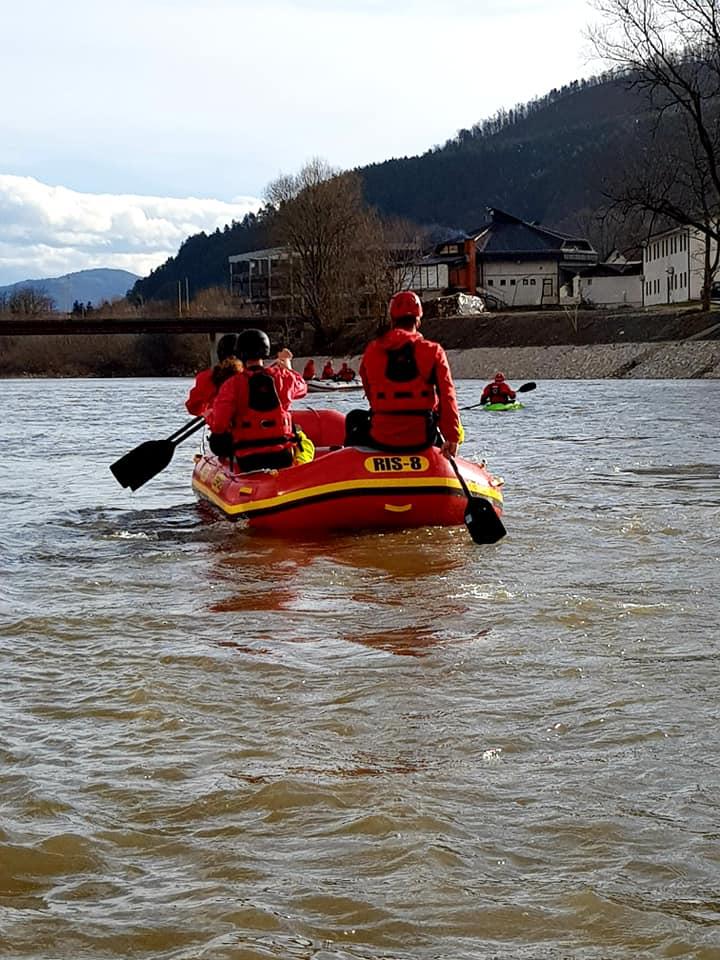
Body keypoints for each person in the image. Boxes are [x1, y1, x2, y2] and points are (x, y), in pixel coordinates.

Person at [354, 290, 463, 457]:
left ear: (392, 319)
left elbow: (370, 391)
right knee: (449, 427)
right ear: (418, 320)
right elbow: (447, 397)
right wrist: (452, 436)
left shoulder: (373, 350)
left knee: (353, 419)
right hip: (422, 438)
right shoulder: (433, 351)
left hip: (382, 436)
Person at [208, 329, 310, 471]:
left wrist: (209, 417)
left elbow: (219, 425)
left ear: (240, 353)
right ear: (266, 351)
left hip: (248, 459)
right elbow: (302, 388)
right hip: (282, 456)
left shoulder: (231, 385)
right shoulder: (283, 377)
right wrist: (288, 368)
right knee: (298, 434)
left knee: (217, 439)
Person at [185, 334, 240, 417]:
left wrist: (208, 413)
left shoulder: (206, 377)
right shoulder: (255, 376)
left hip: (219, 425)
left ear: (219, 354)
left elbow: (193, 408)